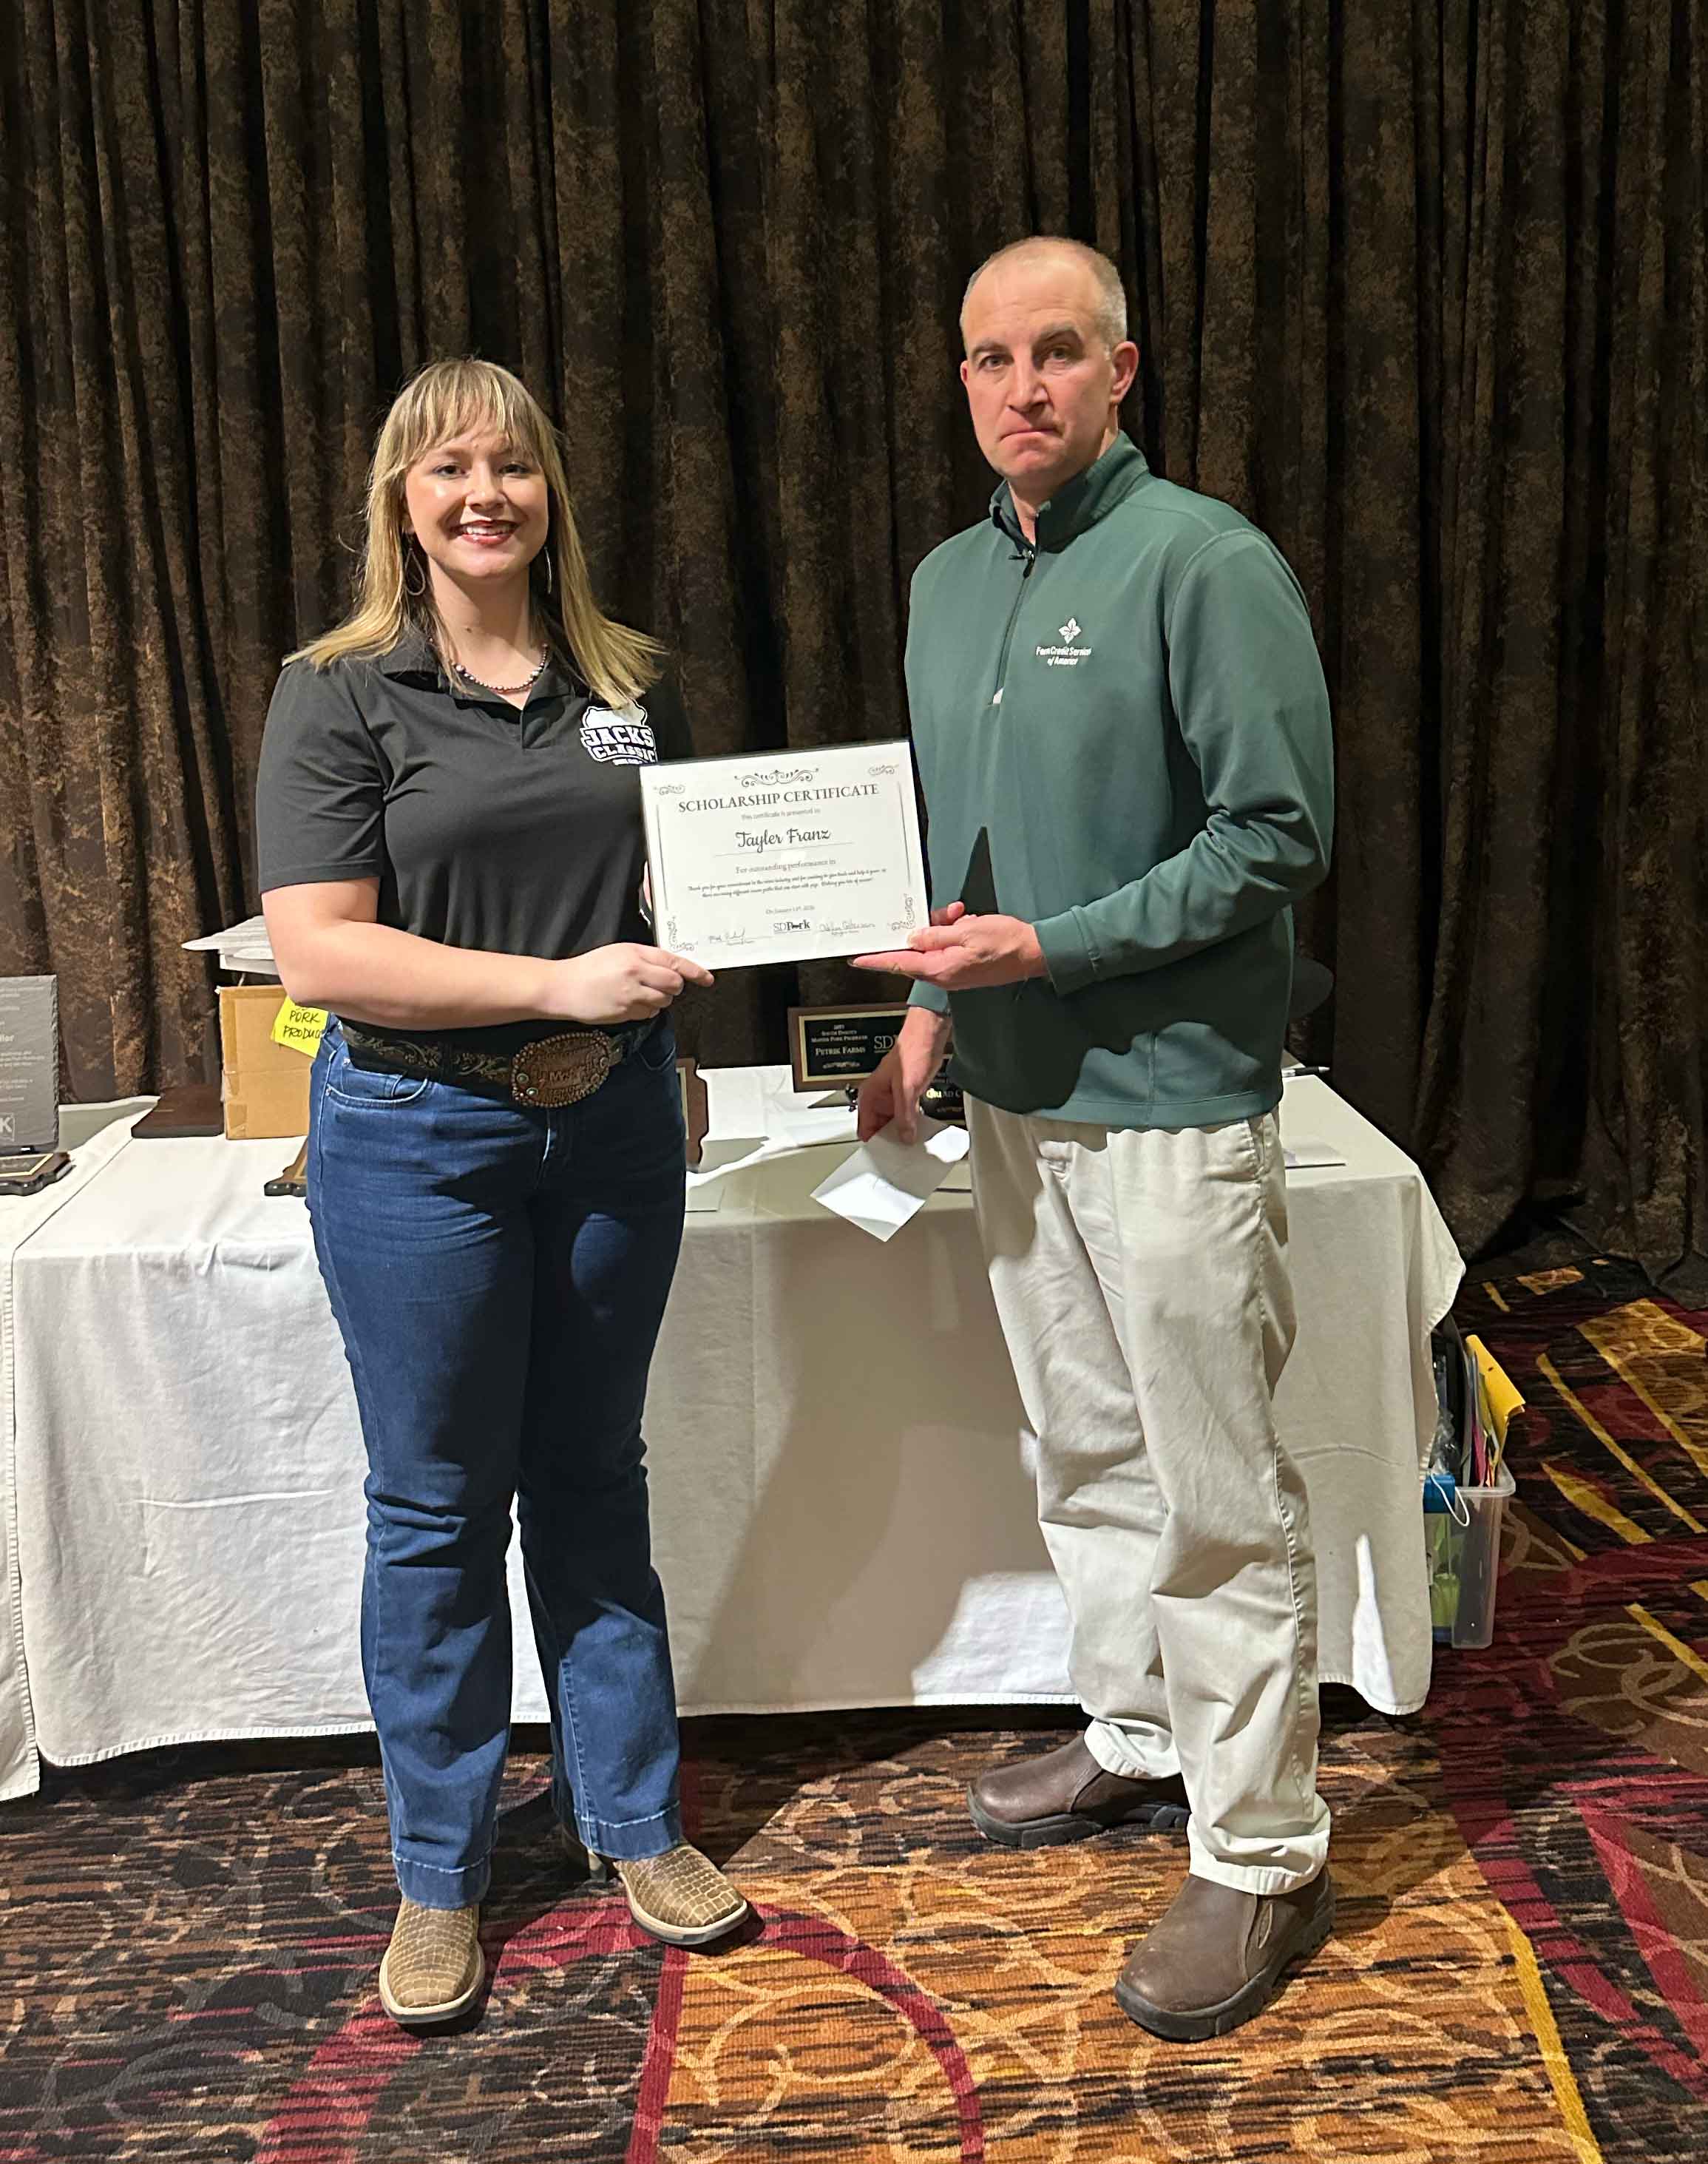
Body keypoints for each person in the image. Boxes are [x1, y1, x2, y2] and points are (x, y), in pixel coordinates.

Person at [855, 238, 1335, 2042]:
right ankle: (1139, 1735)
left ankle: (1269, 1849)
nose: (1021, 387)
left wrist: (1047, 951)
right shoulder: (944, 582)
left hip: (1175, 1100)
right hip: (1017, 1099)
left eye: (1058, 352)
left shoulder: (1205, 560)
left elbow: (1277, 833)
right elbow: (972, 855)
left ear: (1124, 370)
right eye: (989, 358)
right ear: (962, 380)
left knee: (1217, 1485)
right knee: (1086, 1451)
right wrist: (929, 1015)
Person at [257, 358, 747, 2029]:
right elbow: (321, 948)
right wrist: (554, 991)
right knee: (436, 1505)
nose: (487, 494)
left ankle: (633, 1818)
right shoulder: (339, 691)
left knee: (592, 1474)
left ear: (553, 492)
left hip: (608, 1129)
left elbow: (672, 885)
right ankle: (443, 1869)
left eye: (516, 465)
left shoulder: (631, 681)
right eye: (451, 467)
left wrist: (674, 1024)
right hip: (414, 1138)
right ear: (404, 496)